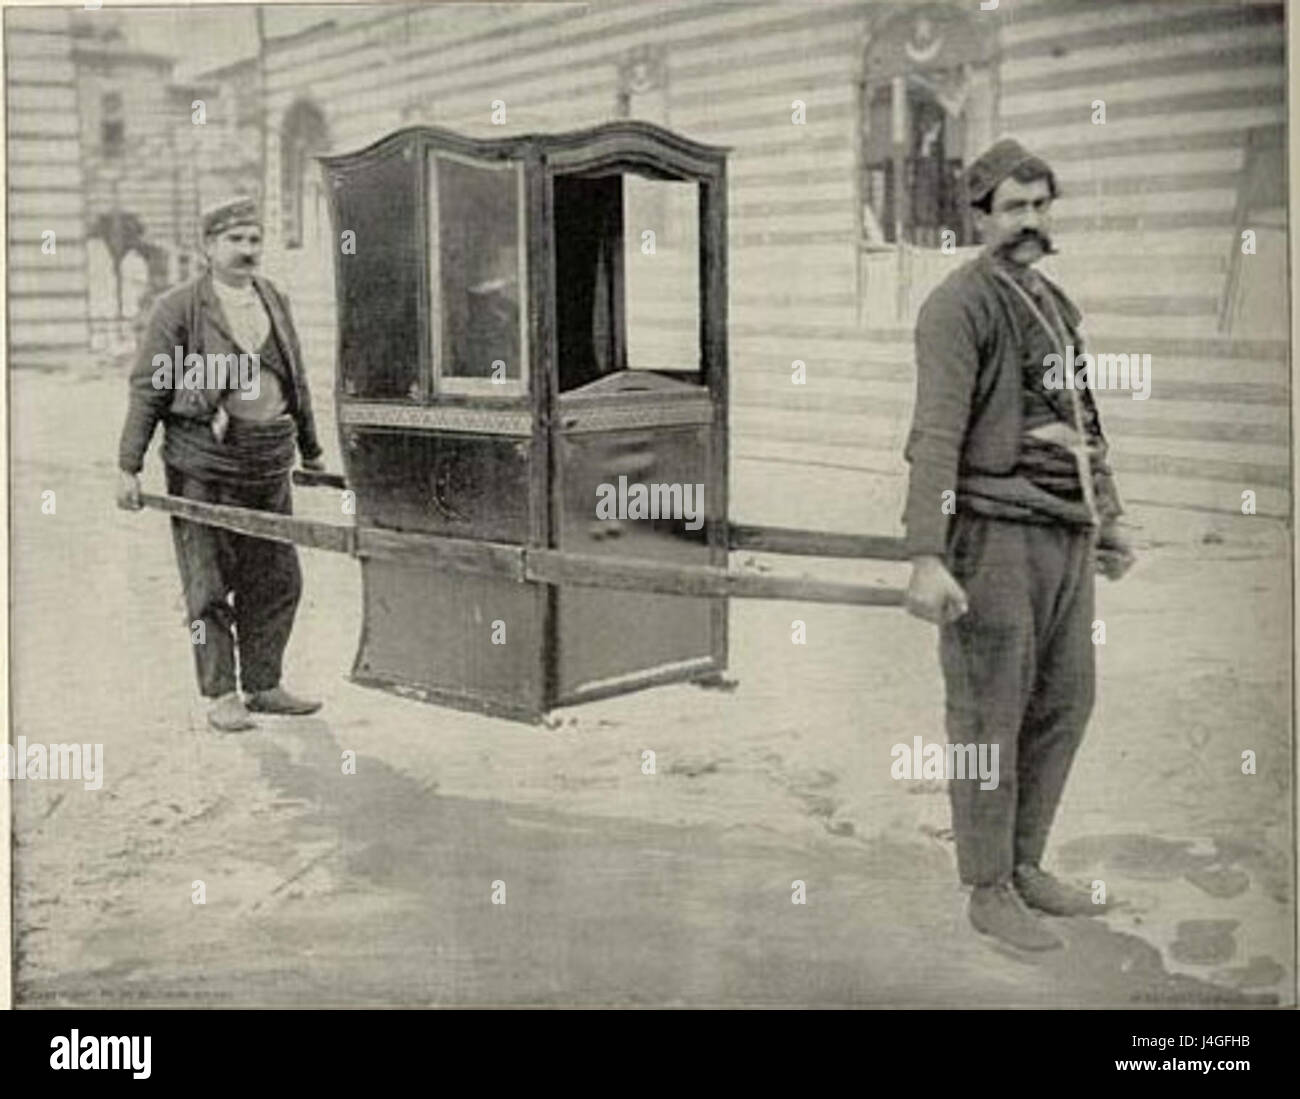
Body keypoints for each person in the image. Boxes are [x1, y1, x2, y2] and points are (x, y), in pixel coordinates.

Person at [901, 138, 1137, 950]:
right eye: (1012, 207)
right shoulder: (957, 306)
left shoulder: (1053, 302)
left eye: (1040, 205)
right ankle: (987, 884)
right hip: (991, 534)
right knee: (986, 714)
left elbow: (1085, 424)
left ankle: (1027, 862)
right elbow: (935, 436)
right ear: (980, 216)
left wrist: (1109, 516)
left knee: (1066, 699)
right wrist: (926, 554)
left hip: (1063, 534)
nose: (1029, 221)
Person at [116, 197, 326, 732]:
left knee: (278, 579)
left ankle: (263, 684)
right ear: (208, 247)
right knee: (208, 586)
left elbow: (296, 377)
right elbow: (151, 388)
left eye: (255, 239)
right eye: (235, 240)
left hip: (267, 463)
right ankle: (220, 694)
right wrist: (128, 465)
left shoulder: (273, 299)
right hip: (202, 467)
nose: (248, 250)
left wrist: (312, 448)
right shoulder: (179, 308)